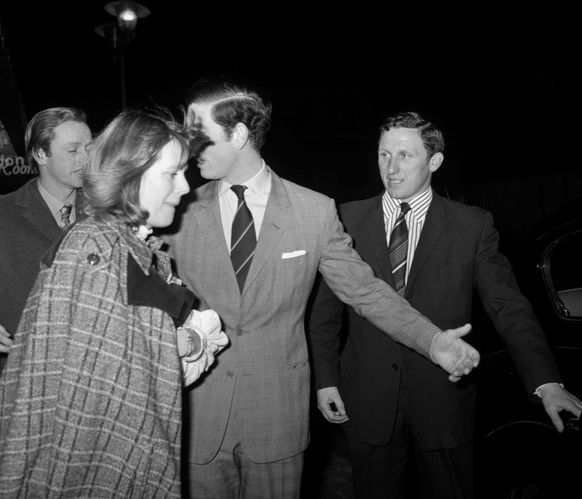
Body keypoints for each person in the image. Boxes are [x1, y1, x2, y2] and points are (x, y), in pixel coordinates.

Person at [162, 79, 480, 499]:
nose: (186, 144)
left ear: (237, 134)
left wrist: (433, 340)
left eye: (196, 131)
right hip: (198, 414)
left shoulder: (313, 211)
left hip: (276, 419)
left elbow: (365, 290)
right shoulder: (174, 209)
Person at [307, 111, 582, 499]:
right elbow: (324, 316)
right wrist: (326, 380)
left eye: (405, 156)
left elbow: (509, 308)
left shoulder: (472, 226)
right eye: (385, 155)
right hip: (367, 398)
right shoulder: (345, 219)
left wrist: (546, 381)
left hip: (444, 401)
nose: (391, 168)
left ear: (434, 161)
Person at [0, 107, 228, 498]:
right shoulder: (98, 248)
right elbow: (94, 400)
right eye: (172, 173)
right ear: (130, 173)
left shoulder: (125, 243)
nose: (186, 187)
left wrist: (183, 342)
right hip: (94, 468)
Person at [0, 107, 92, 374]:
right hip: (22, 376)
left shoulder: (109, 212)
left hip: (91, 376)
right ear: (41, 154)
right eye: (73, 150)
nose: (86, 159)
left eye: (89, 148)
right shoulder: (4, 214)